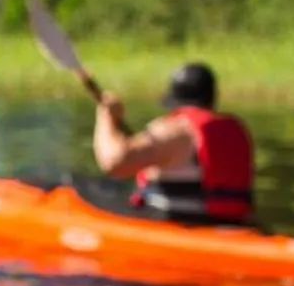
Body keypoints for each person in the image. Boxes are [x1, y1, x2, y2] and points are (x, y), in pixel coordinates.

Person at [92, 62, 256, 224]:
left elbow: (113, 162)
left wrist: (106, 117)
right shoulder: (233, 129)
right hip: (233, 225)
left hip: (181, 227)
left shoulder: (175, 131)